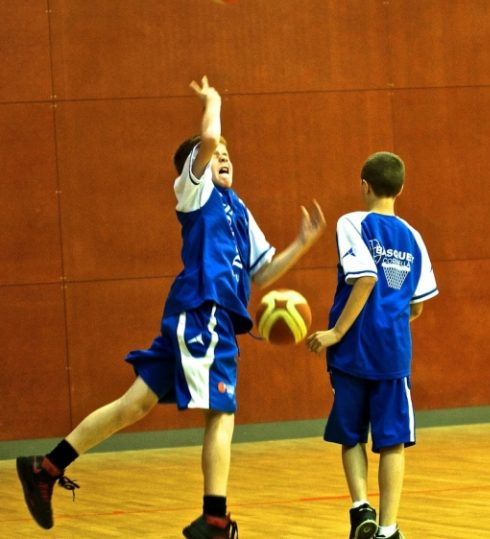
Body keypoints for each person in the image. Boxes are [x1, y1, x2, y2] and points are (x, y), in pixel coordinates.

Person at [16, 76, 326, 539]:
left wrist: (301, 244)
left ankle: (45, 468)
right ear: (194, 167)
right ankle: (215, 519)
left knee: (134, 404)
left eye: (229, 154)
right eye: (217, 154)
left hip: (207, 317)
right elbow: (209, 138)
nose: (224, 155)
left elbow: (261, 273)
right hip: (204, 312)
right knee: (221, 412)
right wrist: (213, 101)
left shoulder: (239, 210)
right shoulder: (194, 193)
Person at [306, 151, 438, 539]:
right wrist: (390, 318)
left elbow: (364, 278)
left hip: (352, 349)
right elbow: (417, 305)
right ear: (401, 188)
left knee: (351, 434)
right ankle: (388, 528)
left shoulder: (352, 222)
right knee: (393, 441)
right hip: (392, 352)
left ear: (364, 186)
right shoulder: (414, 237)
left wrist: (336, 333)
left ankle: (360, 505)